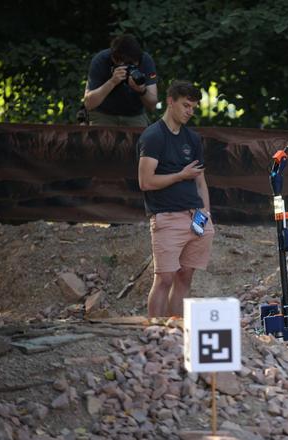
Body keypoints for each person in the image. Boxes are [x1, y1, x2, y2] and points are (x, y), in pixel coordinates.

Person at [137, 80, 213, 318]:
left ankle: (176, 333)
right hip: (167, 216)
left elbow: (200, 181)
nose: (190, 111)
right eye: (186, 105)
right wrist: (180, 175)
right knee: (164, 277)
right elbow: (145, 182)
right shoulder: (153, 136)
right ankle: (154, 334)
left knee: (186, 275)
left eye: (193, 107)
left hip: (196, 215)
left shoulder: (192, 138)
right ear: (171, 102)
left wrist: (205, 216)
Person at [83, 34, 159, 127]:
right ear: (115, 59)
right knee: (100, 139)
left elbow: (152, 105)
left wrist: (141, 91)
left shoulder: (145, 60)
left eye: (132, 64)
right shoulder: (101, 60)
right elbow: (89, 104)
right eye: (126, 64)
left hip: (135, 114)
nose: (128, 68)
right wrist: (112, 82)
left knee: (141, 140)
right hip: (103, 113)